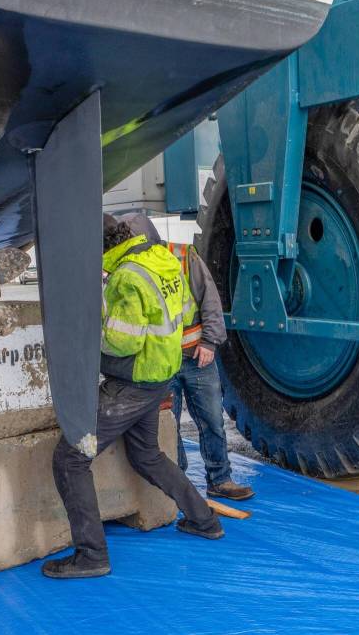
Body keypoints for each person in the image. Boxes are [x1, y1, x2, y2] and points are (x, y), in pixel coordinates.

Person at [42, 215, 223, 580]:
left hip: (132, 382)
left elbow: (123, 341)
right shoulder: (161, 258)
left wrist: (85, 335)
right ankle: (205, 519)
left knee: (70, 458)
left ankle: (91, 554)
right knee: (147, 455)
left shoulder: (125, 277)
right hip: (158, 376)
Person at [167, 241, 255, 501]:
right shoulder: (132, 267)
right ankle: (178, 485)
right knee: (168, 428)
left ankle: (220, 480)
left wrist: (209, 341)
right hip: (162, 363)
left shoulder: (182, 257)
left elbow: (209, 299)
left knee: (213, 421)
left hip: (197, 357)